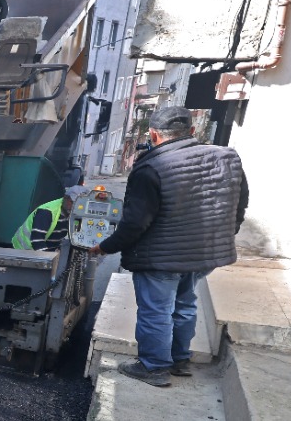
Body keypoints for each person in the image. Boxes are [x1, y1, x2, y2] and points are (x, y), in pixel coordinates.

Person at [91, 105, 248, 387]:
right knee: (185, 304)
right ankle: (178, 360)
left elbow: (135, 223)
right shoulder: (226, 157)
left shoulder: (152, 167)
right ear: (191, 130)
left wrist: (106, 247)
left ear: (153, 134)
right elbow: (239, 202)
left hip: (160, 257)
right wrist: (225, 234)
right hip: (203, 253)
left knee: (156, 311)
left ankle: (154, 367)